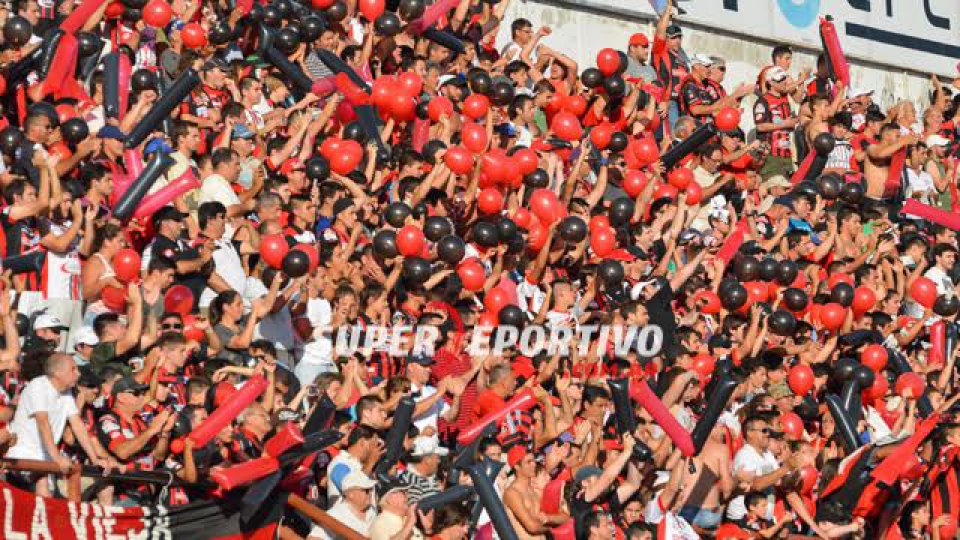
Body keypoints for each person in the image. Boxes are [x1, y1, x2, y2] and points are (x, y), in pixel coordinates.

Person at [5, 353, 113, 496]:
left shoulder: (66, 393)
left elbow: (77, 425)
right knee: (42, 485)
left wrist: (95, 459)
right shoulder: (38, 386)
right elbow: (43, 423)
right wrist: (57, 458)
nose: (78, 374)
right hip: (23, 454)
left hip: (46, 458)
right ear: (57, 373)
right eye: (73, 369)